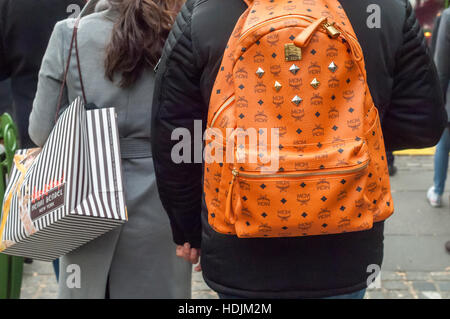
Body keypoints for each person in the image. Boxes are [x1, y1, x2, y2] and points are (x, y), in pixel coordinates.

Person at [152, 0, 446, 299]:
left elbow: (175, 139)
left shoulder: (205, 11)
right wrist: (346, 144)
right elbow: (423, 125)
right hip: (347, 246)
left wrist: (189, 231)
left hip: (240, 250)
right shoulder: (386, 10)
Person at [28, 0, 191, 298]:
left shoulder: (69, 33)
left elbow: (41, 130)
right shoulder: (182, 33)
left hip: (86, 200)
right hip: (163, 200)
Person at [427, 7, 449, 208]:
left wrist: (438, 102)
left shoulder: (449, 16)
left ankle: (437, 191)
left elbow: (441, 66)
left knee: (443, 144)